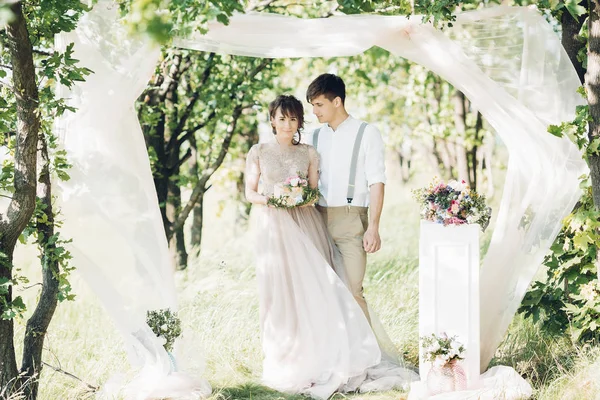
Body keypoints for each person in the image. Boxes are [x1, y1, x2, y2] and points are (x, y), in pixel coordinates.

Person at [244, 94, 382, 399]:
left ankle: (326, 349)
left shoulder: (308, 152)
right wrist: (275, 199)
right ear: (272, 120)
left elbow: (313, 189)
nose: (287, 124)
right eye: (282, 118)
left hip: (306, 223)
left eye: (293, 119)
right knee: (280, 290)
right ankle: (285, 353)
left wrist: (299, 196)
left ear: (299, 123)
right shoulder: (258, 151)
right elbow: (250, 193)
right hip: (274, 227)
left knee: (315, 285)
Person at [306, 73, 385, 323]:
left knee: (353, 289)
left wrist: (373, 227)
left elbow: (377, 181)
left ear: (337, 101)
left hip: (352, 221)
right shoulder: (315, 137)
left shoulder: (367, 132)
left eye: (319, 105)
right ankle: (335, 354)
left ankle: (366, 355)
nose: (315, 112)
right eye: (313, 106)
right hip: (317, 219)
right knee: (324, 292)